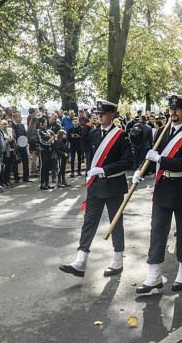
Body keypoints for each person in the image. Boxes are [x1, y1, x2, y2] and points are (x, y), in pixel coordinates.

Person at [134, 94, 182, 294]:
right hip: (163, 187)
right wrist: (141, 171)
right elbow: (152, 158)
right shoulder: (162, 131)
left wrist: (160, 159)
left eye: (177, 109)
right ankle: (154, 277)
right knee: (157, 231)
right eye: (171, 109)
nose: (173, 113)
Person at [59, 99, 132, 278]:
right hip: (96, 186)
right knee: (89, 222)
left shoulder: (121, 135)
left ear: (112, 115)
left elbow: (128, 161)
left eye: (103, 114)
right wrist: (90, 176)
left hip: (114, 185)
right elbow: (90, 157)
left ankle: (117, 259)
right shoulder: (92, 133)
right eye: (97, 114)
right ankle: (81, 260)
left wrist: (105, 170)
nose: (99, 116)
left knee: (115, 224)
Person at [11, 112, 31, 183]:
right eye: (19, 117)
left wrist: (25, 142)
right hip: (16, 147)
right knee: (15, 162)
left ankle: (26, 177)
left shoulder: (22, 125)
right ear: (16, 117)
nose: (21, 118)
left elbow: (24, 135)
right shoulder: (12, 126)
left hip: (23, 146)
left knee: (25, 161)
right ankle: (16, 178)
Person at [37, 117, 54, 190]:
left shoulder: (47, 131)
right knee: (43, 167)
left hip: (49, 150)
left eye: (46, 123)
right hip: (43, 150)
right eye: (45, 123)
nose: (46, 124)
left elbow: (51, 138)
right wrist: (49, 143)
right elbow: (41, 141)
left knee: (47, 167)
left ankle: (47, 182)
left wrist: (52, 136)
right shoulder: (39, 131)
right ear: (41, 124)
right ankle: (42, 183)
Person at [0, 120, 15, 188]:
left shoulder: (9, 131)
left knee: (8, 167)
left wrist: (12, 140)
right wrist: (7, 141)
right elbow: (1, 143)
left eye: (6, 124)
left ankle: (7, 180)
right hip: (4, 152)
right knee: (2, 168)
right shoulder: (0, 133)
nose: (5, 126)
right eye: (4, 124)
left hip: (10, 151)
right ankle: (2, 181)